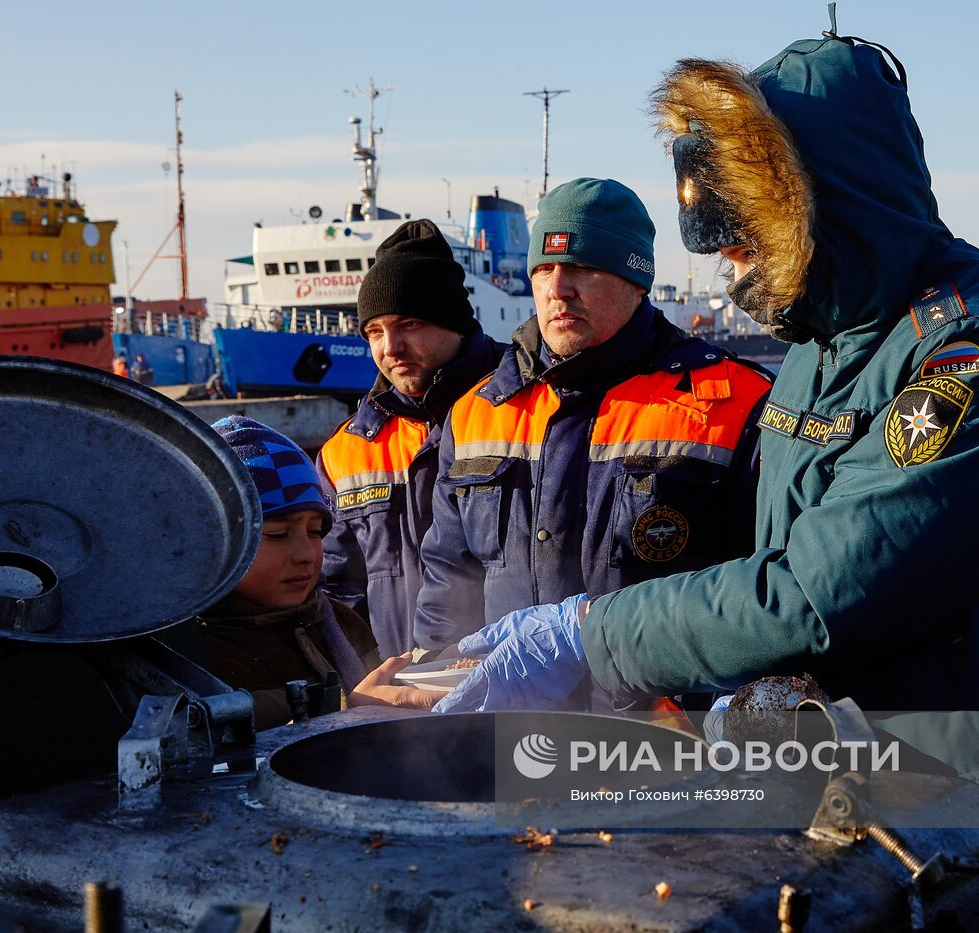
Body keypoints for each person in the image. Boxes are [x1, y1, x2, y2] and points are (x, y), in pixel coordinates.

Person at [435, 27, 979, 793]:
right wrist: (756, 687)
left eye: (745, 231)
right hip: (880, 783)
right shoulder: (819, 345)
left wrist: (588, 634)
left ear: (814, 204)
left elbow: (819, 591)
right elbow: (773, 561)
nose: (727, 259)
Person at [412, 178, 773, 661]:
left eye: (582, 267)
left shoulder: (735, 403)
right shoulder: (476, 412)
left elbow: (767, 587)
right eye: (543, 269)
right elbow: (447, 584)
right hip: (506, 721)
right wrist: (443, 690)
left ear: (636, 280)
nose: (558, 289)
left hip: (659, 725)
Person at [316, 219, 505, 658]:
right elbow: (337, 592)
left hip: (515, 689)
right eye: (374, 331)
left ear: (455, 323)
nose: (391, 347)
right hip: (398, 704)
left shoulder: (528, 415)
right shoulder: (347, 453)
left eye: (410, 324)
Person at [196, 416, 434, 729]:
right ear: (216, 543)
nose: (307, 554)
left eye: (314, 531)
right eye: (278, 534)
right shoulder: (194, 654)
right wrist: (356, 711)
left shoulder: (338, 621)